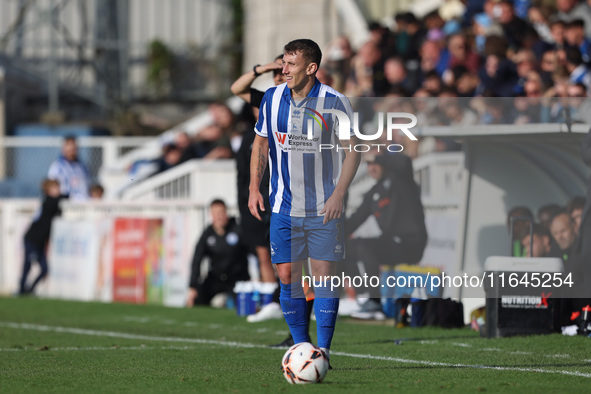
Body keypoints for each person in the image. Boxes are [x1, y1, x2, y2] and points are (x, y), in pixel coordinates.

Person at [248, 39, 360, 364]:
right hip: (284, 207)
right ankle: (301, 348)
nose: (283, 70)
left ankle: (322, 351)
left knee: (324, 277)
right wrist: (255, 187)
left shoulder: (335, 102)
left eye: (291, 65)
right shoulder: (271, 98)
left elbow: (353, 149)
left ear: (311, 68)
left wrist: (339, 194)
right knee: (287, 277)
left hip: (324, 208)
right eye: (283, 63)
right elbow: (261, 144)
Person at [345, 153, 428, 320]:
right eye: (368, 164)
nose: (372, 168)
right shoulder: (374, 192)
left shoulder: (402, 181)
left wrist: (381, 152)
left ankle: (374, 302)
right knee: (342, 247)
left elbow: (405, 162)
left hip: (411, 243)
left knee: (366, 247)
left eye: (376, 163)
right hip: (390, 243)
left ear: (385, 164)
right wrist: (328, 233)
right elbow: (354, 221)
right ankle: (362, 297)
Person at [187, 199, 250, 307]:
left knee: (245, 307)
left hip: (237, 279)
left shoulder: (238, 229)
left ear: (226, 212)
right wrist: (193, 286)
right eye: (216, 213)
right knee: (197, 300)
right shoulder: (207, 234)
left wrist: (255, 278)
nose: (219, 216)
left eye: (222, 212)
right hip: (215, 278)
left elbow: (253, 252)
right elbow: (197, 259)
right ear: (211, 215)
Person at [19, 179, 66, 295]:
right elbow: (60, 199)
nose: (59, 190)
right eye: (56, 188)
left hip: (40, 242)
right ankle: (21, 289)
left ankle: (29, 289)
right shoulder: (49, 202)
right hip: (32, 239)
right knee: (28, 265)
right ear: (48, 190)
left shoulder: (52, 202)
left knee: (44, 269)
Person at [47, 136, 91, 201]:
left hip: (83, 204)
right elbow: (52, 189)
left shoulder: (82, 167)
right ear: (63, 148)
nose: (72, 150)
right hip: (65, 204)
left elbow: (87, 185)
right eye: (69, 147)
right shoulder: (57, 167)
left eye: (74, 148)